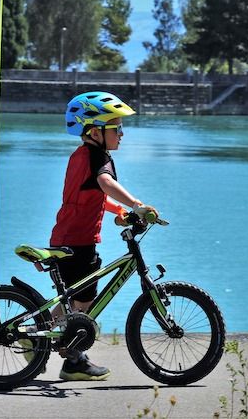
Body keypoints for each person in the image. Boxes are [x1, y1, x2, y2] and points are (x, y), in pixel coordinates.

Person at [50, 91, 158, 381]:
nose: (122, 134)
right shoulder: (99, 157)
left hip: (65, 236)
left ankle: (37, 337)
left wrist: (116, 211)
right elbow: (104, 183)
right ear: (96, 131)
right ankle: (73, 361)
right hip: (80, 241)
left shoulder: (80, 155)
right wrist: (136, 205)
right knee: (84, 303)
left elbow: (93, 194)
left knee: (72, 298)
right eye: (117, 127)